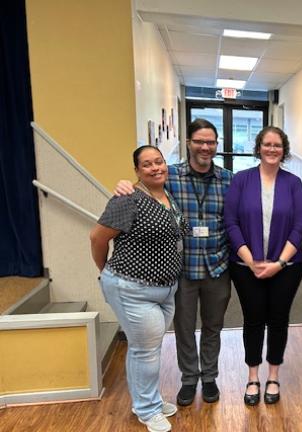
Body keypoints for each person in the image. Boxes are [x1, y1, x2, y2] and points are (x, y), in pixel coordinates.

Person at [114, 119, 233, 407]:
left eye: (211, 142)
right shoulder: (172, 176)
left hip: (218, 265)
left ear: (216, 145)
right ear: (189, 142)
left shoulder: (229, 179)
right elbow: (146, 187)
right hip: (183, 269)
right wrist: (123, 185)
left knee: (213, 327)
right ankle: (189, 378)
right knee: (183, 326)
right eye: (199, 141)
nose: (205, 147)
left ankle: (210, 377)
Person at [90, 146, 187, 432]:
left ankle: (147, 401)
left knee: (145, 348)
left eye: (159, 161)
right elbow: (97, 238)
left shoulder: (168, 195)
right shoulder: (128, 199)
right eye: (147, 165)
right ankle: (147, 409)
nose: (156, 167)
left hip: (165, 289)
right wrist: (105, 270)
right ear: (137, 171)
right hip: (132, 288)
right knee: (146, 351)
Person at [223, 126, 302, 406]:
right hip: (246, 266)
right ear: (258, 147)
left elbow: (299, 226)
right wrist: (251, 261)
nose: (272, 149)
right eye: (267, 144)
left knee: (279, 319)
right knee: (253, 319)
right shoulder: (241, 180)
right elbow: (231, 223)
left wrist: (280, 263)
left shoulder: (293, 183)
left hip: (288, 266)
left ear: (284, 150)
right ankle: (252, 376)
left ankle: (273, 375)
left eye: (278, 145)